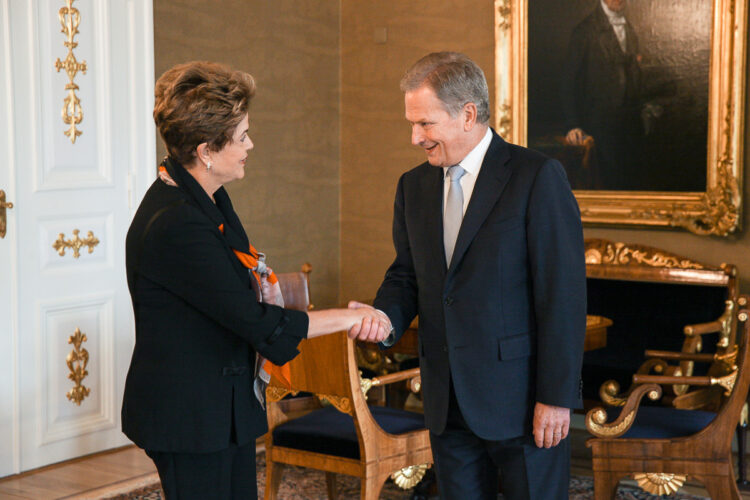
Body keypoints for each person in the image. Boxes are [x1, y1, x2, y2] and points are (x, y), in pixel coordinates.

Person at [122, 61, 389, 499]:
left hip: (222, 406)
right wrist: (348, 317)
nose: (251, 144)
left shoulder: (207, 198)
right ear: (207, 149)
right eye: (242, 135)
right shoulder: (176, 224)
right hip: (188, 417)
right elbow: (257, 321)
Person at [351, 52, 587, 499]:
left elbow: (563, 296)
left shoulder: (536, 176)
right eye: (412, 123)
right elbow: (407, 274)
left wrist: (556, 397)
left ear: (468, 114)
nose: (415, 137)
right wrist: (383, 316)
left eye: (424, 123)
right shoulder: (413, 186)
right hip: (445, 403)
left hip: (522, 405)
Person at [561, 0, 644, 190]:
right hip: (599, 128)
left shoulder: (630, 29)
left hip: (631, 127)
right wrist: (573, 124)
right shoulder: (584, 30)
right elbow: (569, 82)